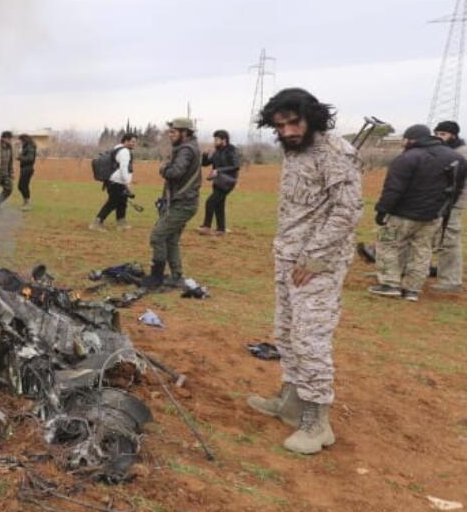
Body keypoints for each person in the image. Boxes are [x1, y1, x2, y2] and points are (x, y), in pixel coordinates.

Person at [246, 88, 361, 455]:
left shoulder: (335, 152)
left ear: (312, 116)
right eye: (280, 126)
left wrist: (313, 258)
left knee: (311, 339)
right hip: (289, 259)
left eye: (294, 122)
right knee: (286, 332)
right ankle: (292, 403)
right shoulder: (295, 152)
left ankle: (317, 423)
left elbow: (347, 211)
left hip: (317, 266)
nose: (288, 131)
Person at [368, 124, 466, 301]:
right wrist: (444, 210)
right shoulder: (455, 157)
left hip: (404, 213)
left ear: (411, 139)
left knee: (388, 244)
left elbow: (393, 188)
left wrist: (382, 210)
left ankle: (390, 283)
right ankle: (412, 289)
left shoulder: (408, 158)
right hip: (433, 215)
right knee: (422, 250)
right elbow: (456, 189)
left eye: (404, 139)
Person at [141, 119, 201, 288]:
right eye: (170, 131)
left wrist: (163, 169)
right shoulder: (188, 147)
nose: (170, 134)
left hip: (183, 204)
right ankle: (176, 276)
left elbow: (175, 172)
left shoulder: (186, 150)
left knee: (158, 236)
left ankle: (157, 276)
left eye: (174, 131)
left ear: (186, 133)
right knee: (171, 239)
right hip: (183, 202)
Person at [432, 120, 466, 293]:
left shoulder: (462, 153)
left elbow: (459, 183)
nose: (439, 137)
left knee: (450, 239)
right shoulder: (447, 151)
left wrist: (453, 203)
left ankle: (451, 281)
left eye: (443, 134)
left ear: (453, 135)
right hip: (440, 200)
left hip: (453, 202)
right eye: (437, 134)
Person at [90, 133, 137, 231]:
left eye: (135, 142)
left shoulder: (117, 149)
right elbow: (124, 168)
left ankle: (121, 223)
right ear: (126, 141)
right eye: (132, 141)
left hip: (114, 181)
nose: (134, 144)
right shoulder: (124, 152)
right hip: (118, 181)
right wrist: (127, 183)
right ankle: (97, 223)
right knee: (112, 202)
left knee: (122, 202)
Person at [197, 129, 240, 235]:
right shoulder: (217, 151)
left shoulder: (231, 149)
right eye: (214, 139)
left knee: (210, 202)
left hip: (227, 182)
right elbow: (205, 164)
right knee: (218, 204)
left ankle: (206, 227)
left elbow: (236, 166)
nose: (214, 141)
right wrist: (205, 155)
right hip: (217, 181)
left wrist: (218, 170)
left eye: (216, 139)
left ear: (224, 140)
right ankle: (221, 229)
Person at [17, 133, 37, 210]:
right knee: (21, 186)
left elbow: (30, 158)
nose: (21, 142)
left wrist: (20, 158)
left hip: (28, 169)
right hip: (25, 168)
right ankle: (26, 202)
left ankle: (27, 204)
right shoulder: (27, 147)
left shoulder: (30, 147)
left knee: (23, 186)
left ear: (24, 140)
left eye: (21, 140)